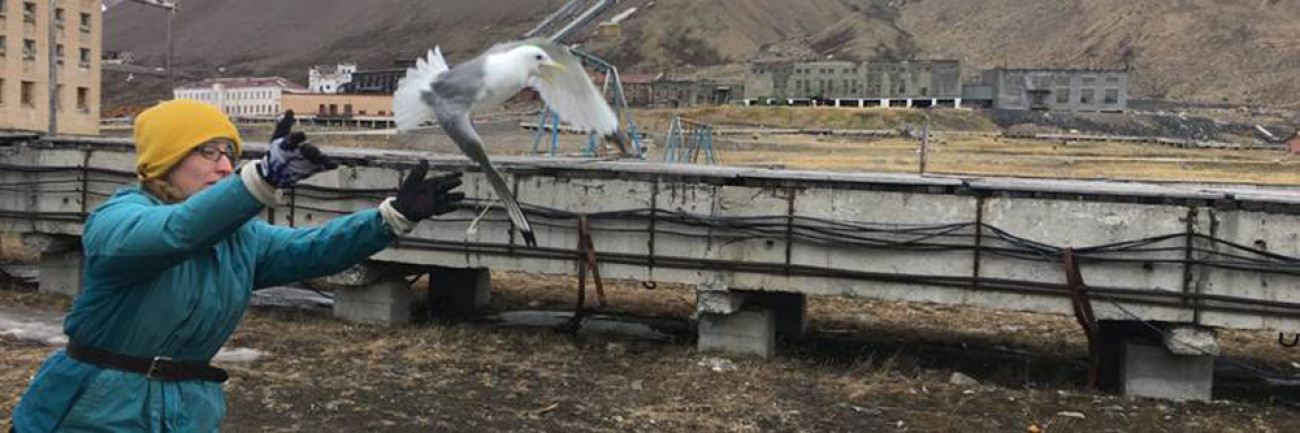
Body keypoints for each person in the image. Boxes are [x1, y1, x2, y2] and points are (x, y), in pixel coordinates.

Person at [9, 99, 464, 432]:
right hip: (93, 410)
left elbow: (310, 249)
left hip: (187, 410)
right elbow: (175, 233)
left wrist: (390, 217)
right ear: (165, 160)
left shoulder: (239, 239)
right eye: (208, 152)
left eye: (230, 153)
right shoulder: (115, 222)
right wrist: (261, 180)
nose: (225, 165)